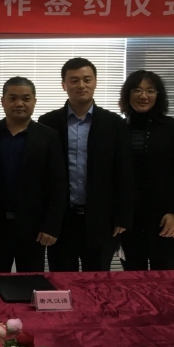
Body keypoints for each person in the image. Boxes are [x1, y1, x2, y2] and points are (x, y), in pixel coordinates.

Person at [39, 57, 135, 272]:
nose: (81, 85)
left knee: (98, 282)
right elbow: (42, 175)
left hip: (101, 220)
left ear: (95, 82)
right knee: (62, 281)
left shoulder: (114, 123)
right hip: (61, 221)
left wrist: (122, 216)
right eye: (74, 80)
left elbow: (125, 172)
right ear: (64, 85)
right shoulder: (48, 122)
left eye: (86, 79)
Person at [0, 77, 67, 273]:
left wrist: (51, 226)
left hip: (34, 228)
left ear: (34, 101)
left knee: (30, 282)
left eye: (26, 99)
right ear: (2, 101)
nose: (19, 103)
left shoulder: (49, 137)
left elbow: (58, 185)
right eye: (12, 98)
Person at [117, 70, 174, 270]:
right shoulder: (118, 128)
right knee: (133, 279)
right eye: (137, 90)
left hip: (165, 217)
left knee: (165, 279)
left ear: (158, 95)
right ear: (128, 94)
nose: (143, 96)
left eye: (150, 91)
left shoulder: (172, 128)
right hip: (129, 220)